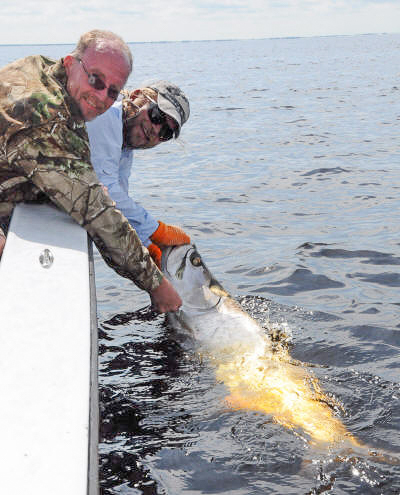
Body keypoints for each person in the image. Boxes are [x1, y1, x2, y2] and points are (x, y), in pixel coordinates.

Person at [0, 29, 181, 313]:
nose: (101, 96)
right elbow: (95, 211)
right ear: (71, 63)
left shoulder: (43, 69)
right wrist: (157, 286)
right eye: (96, 80)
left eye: (111, 91)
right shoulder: (46, 116)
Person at [86, 81, 191, 268]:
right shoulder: (106, 116)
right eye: (157, 116)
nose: (155, 130)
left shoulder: (124, 147)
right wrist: (156, 230)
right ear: (135, 97)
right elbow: (105, 191)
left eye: (166, 132)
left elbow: (118, 205)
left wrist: (147, 244)